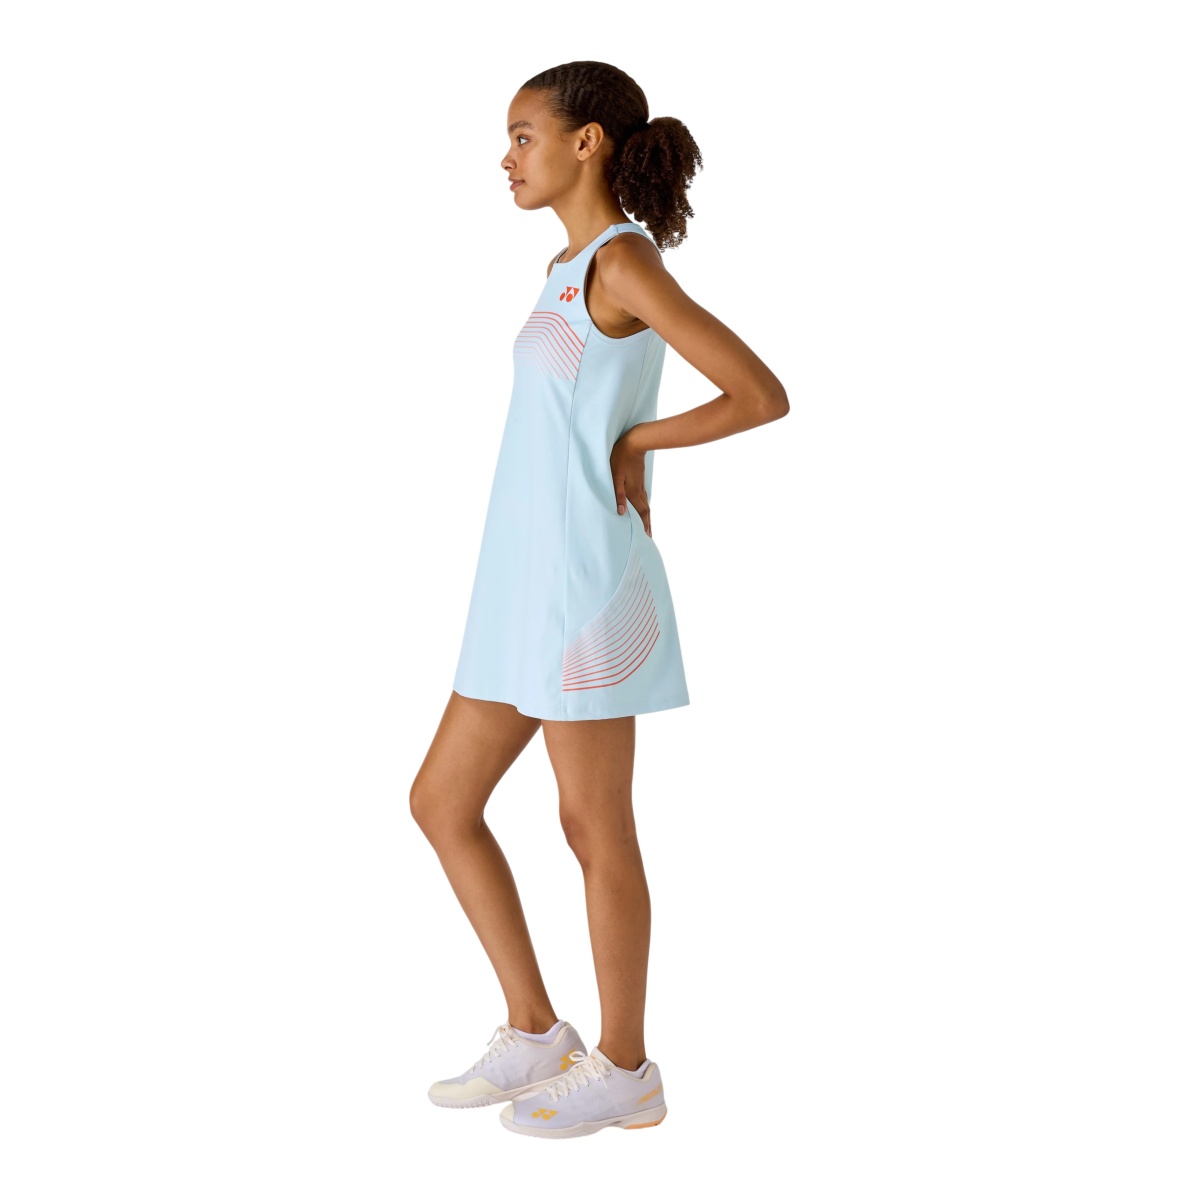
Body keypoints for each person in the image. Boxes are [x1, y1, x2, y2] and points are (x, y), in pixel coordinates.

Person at [410, 60, 788, 1139]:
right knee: (441, 803)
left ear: (587, 143)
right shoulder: (565, 266)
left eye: (523, 135)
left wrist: (638, 444)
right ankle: (537, 1031)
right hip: (518, 584)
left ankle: (626, 1066)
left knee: (591, 823)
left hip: (581, 589)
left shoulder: (621, 261)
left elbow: (759, 394)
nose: (506, 158)